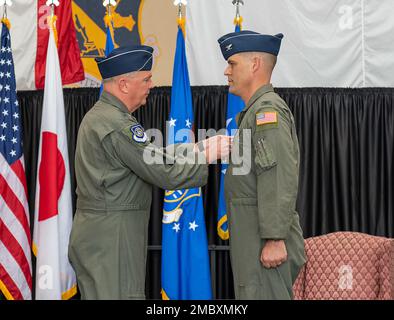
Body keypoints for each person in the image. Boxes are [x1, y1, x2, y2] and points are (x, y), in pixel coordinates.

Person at [68, 44, 232, 300]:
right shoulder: (116, 124)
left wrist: (196, 148)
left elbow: (148, 157)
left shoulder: (105, 117)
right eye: (146, 79)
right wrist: (204, 155)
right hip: (113, 238)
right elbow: (162, 170)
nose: (151, 84)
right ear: (123, 84)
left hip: (105, 234)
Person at [218, 30, 306, 299]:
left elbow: (277, 177)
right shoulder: (253, 112)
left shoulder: (267, 112)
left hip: (265, 242)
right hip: (253, 237)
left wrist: (275, 238)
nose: (226, 71)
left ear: (255, 64)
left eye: (232, 63)